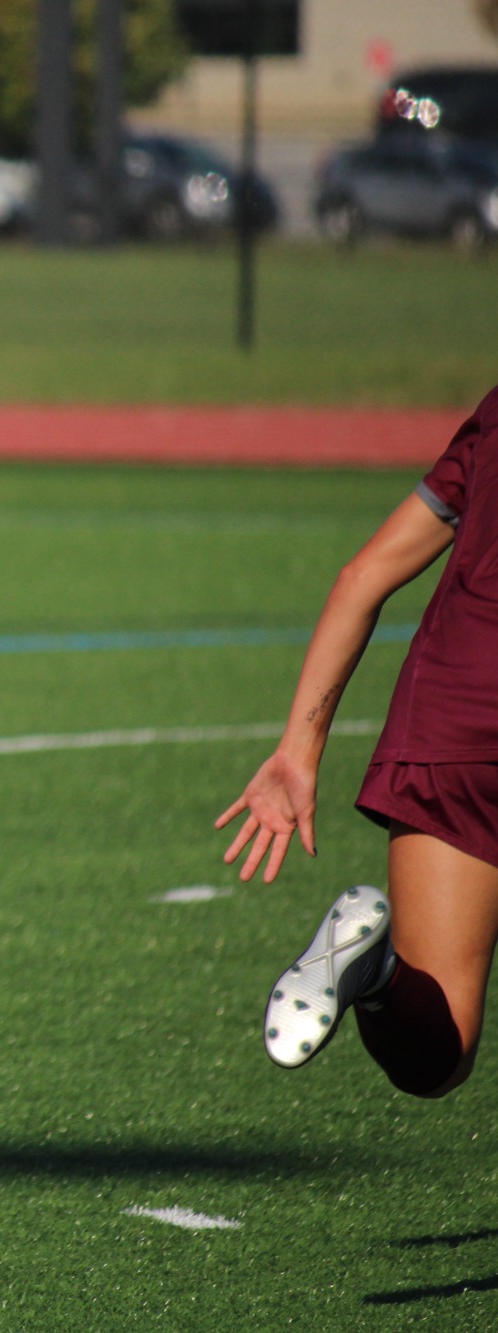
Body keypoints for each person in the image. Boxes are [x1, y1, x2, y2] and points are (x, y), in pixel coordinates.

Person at [217, 385, 498, 1099]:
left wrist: (298, 753)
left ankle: (376, 975)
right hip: (455, 726)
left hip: (451, 722)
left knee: (436, 1055)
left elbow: (363, 575)